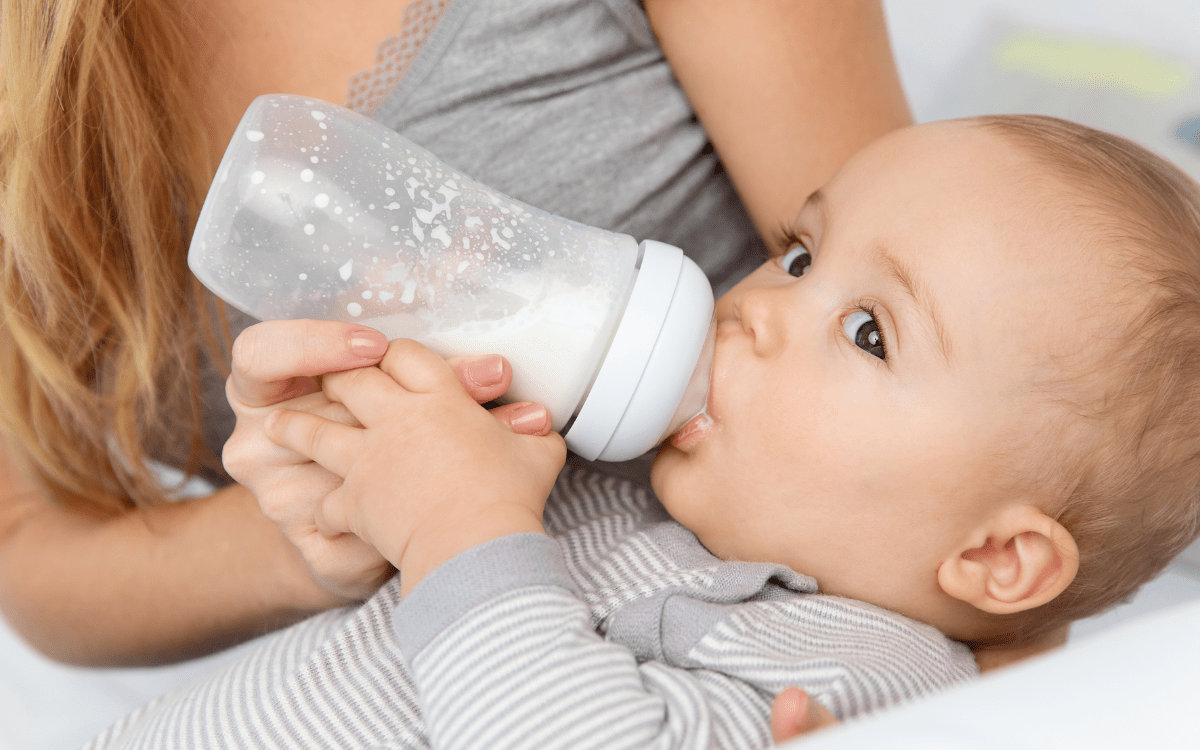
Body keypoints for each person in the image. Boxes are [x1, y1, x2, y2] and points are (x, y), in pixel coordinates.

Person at [87, 115, 1200, 748]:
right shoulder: (623, 476)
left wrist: (463, 529)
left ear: (997, 558)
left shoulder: (866, 683)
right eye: (801, 255)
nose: (757, 307)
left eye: (867, 333)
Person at [0, 0, 910, 676]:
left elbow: (948, 321)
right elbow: (26, 545)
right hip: (417, 674)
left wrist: (964, 695)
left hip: (782, 646)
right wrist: (329, 516)